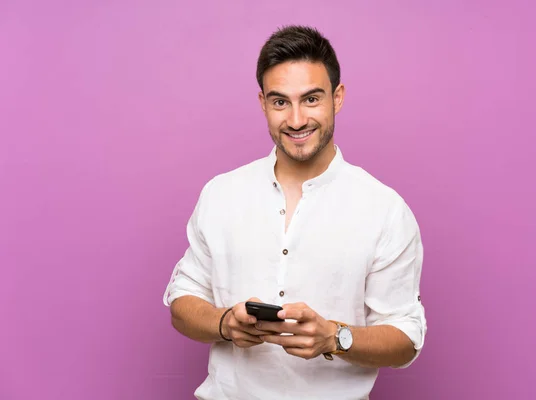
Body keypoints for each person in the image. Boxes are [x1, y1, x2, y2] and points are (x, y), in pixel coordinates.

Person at [163, 25, 426, 400]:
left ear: (338, 97)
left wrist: (335, 337)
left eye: (312, 99)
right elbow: (182, 302)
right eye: (280, 102)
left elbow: (406, 338)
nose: (297, 120)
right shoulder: (221, 194)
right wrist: (224, 324)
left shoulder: (384, 210)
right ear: (263, 103)